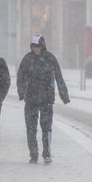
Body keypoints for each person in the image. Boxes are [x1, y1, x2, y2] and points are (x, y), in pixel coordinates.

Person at [17, 34, 70, 164]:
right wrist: (21, 92)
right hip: (30, 99)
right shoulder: (27, 59)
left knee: (46, 128)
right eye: (33, 46)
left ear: (43, 46)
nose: (36, 48)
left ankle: (47, 153)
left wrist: (64, 95)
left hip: (46, 99)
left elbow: (58, 76)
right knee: (31, 128)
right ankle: (33, 154)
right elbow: (20, 76)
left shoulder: (50, 59)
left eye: (38, 46)